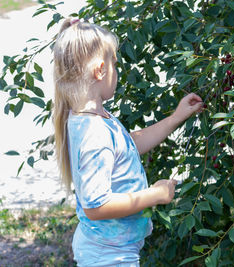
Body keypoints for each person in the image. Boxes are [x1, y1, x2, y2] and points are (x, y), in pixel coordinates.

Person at [52, 18, 203, 266]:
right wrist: (154, 194)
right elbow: (96, 207)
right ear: (100, 70)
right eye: (114, 64)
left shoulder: (93, 118)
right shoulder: (94, 132)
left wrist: (176, 118)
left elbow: (126, 147)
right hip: (108, 255)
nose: (117, 71)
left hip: (110, 249)